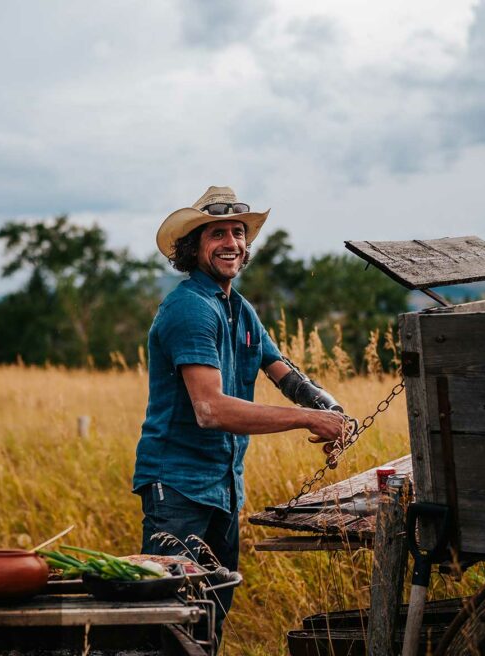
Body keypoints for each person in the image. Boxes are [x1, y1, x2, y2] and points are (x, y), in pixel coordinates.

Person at [132, 185, 347, 646]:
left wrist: (329, 408)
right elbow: (210, 410)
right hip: (179, 490)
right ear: (194, 247)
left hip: (224, 488)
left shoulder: (240, 309)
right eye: (217, 234)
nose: (232, 242)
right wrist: (307, 421)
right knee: (174, 622)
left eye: (238, 232)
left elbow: (285, 373)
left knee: (211, 617)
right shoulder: (190, 308)